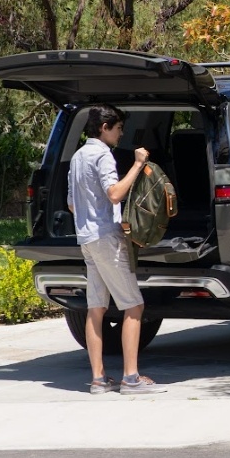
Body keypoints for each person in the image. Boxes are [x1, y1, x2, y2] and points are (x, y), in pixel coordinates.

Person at [68, 105, 161, 394]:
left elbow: (72, 203)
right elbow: (115, 193)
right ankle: (131, 378)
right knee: (134, 306)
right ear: (105, 127)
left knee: (96, 308)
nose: (121, 133)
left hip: (87, 239)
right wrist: (137, 164)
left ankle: (98, 380)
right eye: (119, 128)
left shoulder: (77, 156)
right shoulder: (102, 155)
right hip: (107, 239)